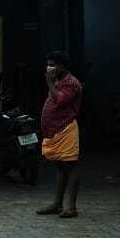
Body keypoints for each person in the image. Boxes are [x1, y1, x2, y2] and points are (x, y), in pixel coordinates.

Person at [37, 50, 84, 218]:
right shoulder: (57, 80)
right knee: (60, 166)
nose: (49, 68)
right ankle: (57, 204)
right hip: (55, 130)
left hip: (66, 129)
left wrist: (49, 83)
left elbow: (60, 100)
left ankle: (71, 207)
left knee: (70, 166)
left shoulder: (72, 83)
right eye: (48, 65)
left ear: (62, 66)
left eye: (52, 65)